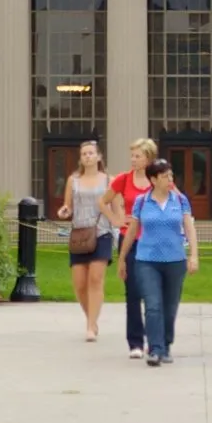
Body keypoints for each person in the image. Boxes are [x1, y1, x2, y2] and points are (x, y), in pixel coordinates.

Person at [116, 157, 198, 366]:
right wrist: (123, 258)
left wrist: (194, 255)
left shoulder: (179, 201)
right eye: (164, 176)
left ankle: (166, 344)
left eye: (171, 175)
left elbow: (189, 228)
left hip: (174, 260)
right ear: (153, 179)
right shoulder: (142, 202)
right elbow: (132, 230)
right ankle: (155, 349)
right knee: (153, 306)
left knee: (169, 307)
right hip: (146, 261)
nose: (169, 179)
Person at [56, 139, 114, 342]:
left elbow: (115, 207)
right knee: (80, 284)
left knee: (95, 279)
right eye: (84, 154)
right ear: (81, 158)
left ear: (99, 156)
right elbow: (68, 206)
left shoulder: (109, 181)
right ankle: (92, 318)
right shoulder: (74, 180)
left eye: (91, 153)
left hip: (102, 233)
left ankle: (90, 326)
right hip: (80, 235)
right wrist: (65, 212)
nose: (88, 156)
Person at [106, 139, 158, 358]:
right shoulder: (124, 179)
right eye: (132, 156)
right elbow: (103, 202)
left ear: (148, 158)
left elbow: (173, 201)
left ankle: (154, 339)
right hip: (131, 240)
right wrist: (117, 219)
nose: (133, 159)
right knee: (133, 292)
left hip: (155, 241)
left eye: (137, 156)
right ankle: (135, 342)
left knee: (153, 293)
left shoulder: (159, 179)